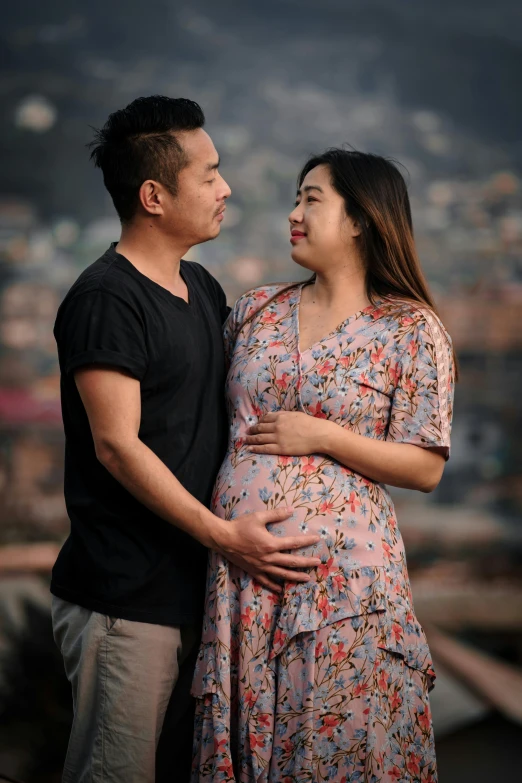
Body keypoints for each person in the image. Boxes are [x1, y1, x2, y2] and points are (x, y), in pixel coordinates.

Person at [50, 95, 321, 783]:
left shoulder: (200, 287)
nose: (225, 187)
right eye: (208, 173)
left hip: (198, 596)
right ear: (153, 195)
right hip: (125, 600)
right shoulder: (106, 299)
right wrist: (225, 534)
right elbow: (118, 445)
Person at [191, 149, 456, 782]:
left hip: (347, 589)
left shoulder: (411, 329)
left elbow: (424, 467)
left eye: (312, 199)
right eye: (296, 198)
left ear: (363, 218)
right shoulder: (254, 311)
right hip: (244, 581)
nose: (293, 213)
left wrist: (322, 435)